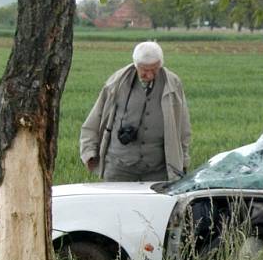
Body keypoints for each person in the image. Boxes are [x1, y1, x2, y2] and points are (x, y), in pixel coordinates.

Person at [80, 40, 191, 182]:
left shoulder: (173, 84)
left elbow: (183, 126)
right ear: (136, 65)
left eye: (154, 69)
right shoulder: (116, 83)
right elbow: (95, 119)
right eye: (145, 70)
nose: (150, 75)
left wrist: (184, 160)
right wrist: (89, 152)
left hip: (158, 170)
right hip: (119, 168)